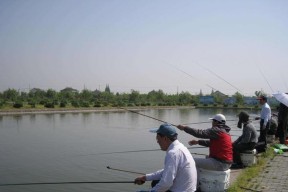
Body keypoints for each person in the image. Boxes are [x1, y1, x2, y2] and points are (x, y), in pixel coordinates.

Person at [134, 123, 197, 192]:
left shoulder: (173, 153)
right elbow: (166, 172)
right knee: (155, 182)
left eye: (158, 139)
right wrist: (145, 177)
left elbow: (166, 183)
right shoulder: (181, 147)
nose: (157, 142)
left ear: (165, 138)